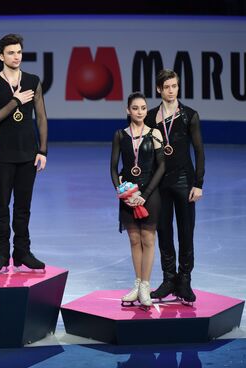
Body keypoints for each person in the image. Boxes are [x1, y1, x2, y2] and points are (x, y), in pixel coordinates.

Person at [0, 34, 48, 272]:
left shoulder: (32, 80)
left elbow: (41, 116)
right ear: (1, 56)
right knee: (2, 206)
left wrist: (42, 150)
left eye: (19, 51)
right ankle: (1, 253)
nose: (16, 56)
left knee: (23, 206)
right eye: (11, 52)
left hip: (28, 154)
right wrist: (15, 101)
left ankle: (22, 251)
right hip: (3, 155)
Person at [145, 69, 205, 305]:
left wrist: (198, 183)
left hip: (184, 181)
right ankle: (169, 279)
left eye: (175, 86)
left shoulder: (189, 115)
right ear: (159, 89)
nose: (172, 90)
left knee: (186, 231)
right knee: (163, 230)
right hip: (160, 183)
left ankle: (185, 280)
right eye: (167, 87)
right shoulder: (150, 117)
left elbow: (199, 152)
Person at [110, 92, 165, 309]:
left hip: (149, 194)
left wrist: (144, 194)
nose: (140, 112)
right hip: (128, 194)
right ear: (128, 110)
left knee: (148, 239)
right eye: (135, 108)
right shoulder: (120, 135)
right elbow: (113, 168)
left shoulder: (155, 133)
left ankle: (146, 286)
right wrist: (123, 192)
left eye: (143, 108)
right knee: (134, 240)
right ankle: (137, 283)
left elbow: (161, 167)